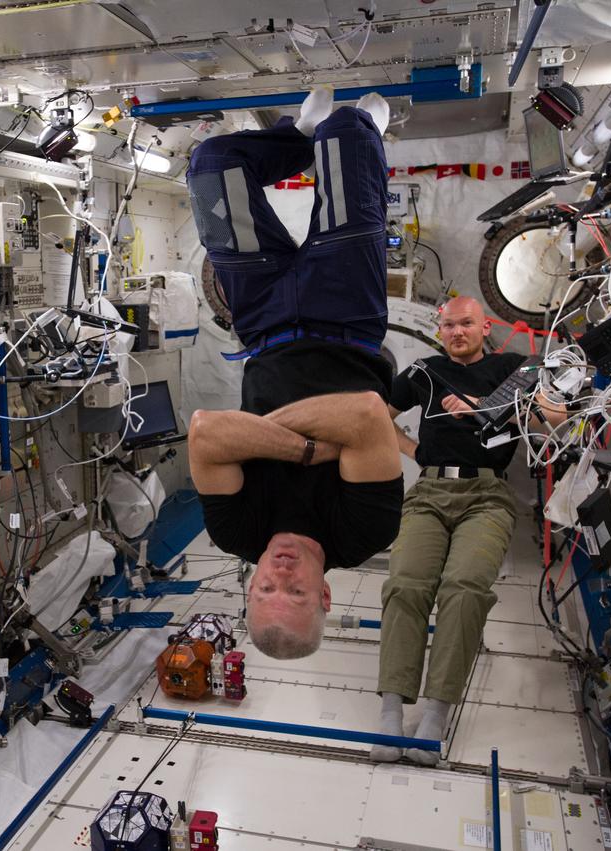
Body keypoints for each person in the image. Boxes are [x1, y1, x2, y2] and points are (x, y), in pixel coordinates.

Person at [186, 87, 404, 661]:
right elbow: (366, 413)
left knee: (212, 167)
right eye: (297, 590)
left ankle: (292, 139)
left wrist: (313, 450)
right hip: (347, 315)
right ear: (326, 594)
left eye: (265, 587)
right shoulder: (362, 532)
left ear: (248, 585)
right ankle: (355, 134)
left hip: (260, 320)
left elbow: (205, 431)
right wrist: (260, 437)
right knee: (349, 130)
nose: (279, 573)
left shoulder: (236, 532)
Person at [373, 295, 567, 764]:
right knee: (406, 584)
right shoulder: (424, 371)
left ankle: (437, 711)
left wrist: (490, 408)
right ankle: (392, 710)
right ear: (440, 332)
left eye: (466, 324)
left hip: (488, 496)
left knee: (464, 588)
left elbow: (556, 421)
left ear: (484, 328)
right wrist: (414, 451)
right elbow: (376, 416)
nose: (457, 332)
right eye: (449, 326)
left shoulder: (514, 369)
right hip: (430, 492)